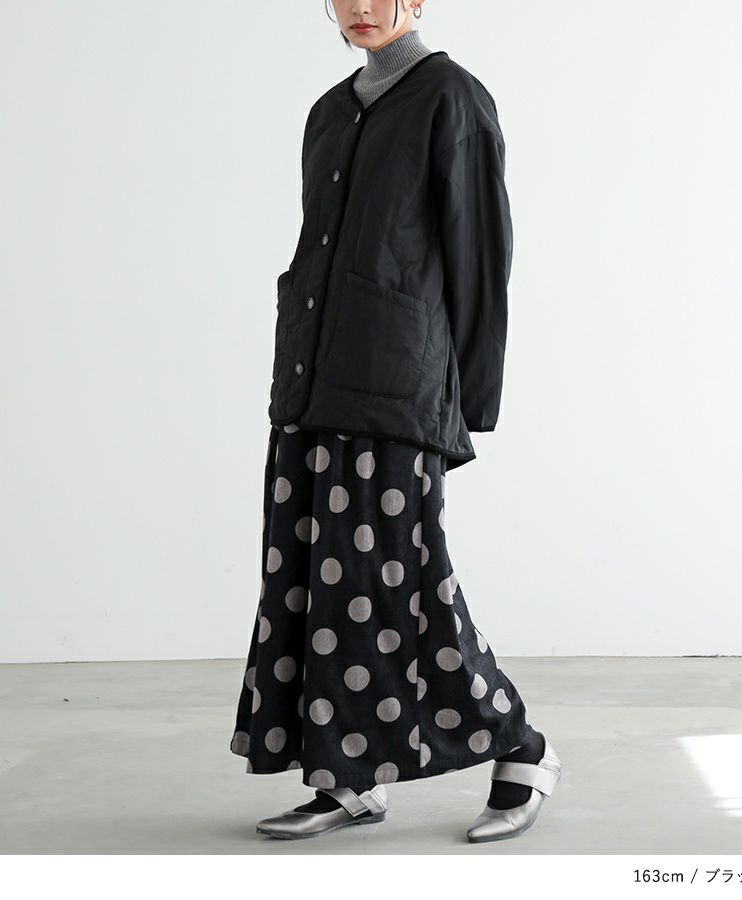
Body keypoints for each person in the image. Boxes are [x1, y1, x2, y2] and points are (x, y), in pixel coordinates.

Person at [229, 0, 563, 843]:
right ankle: (348, 777)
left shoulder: (452, 97)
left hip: (394, 386)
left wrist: (466, 401)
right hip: (309, 384)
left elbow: (480, 253)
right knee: (313, 587)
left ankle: (523, 748)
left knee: (400, 587)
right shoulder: (328, 111)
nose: (361, 6)